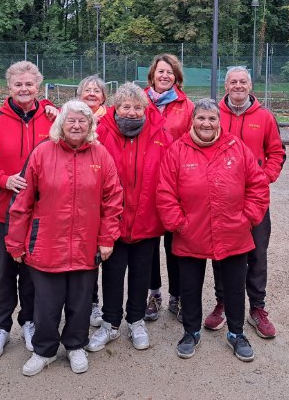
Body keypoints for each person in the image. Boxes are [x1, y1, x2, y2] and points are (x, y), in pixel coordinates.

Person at [5, 100, 123, 376]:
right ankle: (44, 350)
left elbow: (113, 199)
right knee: (46, 302)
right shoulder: (42, 153)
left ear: (91, 126)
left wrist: (107, 238)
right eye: (71, 120)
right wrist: (16, 241)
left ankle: (75, 345)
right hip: (47, 242)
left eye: (83, 121)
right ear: (61, 124)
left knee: (80, 301)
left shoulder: (101, 155)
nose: (77, 125)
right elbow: (22, 201)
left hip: (86, 243)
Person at [156, 98, 270, 362]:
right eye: (201, 118)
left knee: (233, 286)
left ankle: (236, 332)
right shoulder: (177, 150)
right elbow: (165, 192)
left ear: (219, 121)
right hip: (190, 232)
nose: (206, 123)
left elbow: (257, 186)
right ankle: (191, 331)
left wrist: (248, 218)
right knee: (190, 286)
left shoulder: (236, 147)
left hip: (233, 230)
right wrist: (178, 224)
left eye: (211, 119)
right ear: (192, 120)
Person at [0, 61, 56, 360]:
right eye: (18, 84)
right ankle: (1, 327)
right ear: (9, 87)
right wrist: (3, 179)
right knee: (4, 272)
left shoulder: (51, 119)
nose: (24, 89)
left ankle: (29, 322)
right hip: (2, 213)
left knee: (32, 273)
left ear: (38, 87)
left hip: (37, 214)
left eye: (29, 84)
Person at [86, 83, 172, 353]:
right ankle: (110, 323)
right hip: (113, 219)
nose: (132, 112)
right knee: (112, 273)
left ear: (145, 109)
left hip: (146, 218)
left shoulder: (159, 133)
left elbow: (171, 172)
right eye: (126, 107)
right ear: (116, 107)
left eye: (137, 107)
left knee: (140, 274)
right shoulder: (101, 132)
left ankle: (136, 320)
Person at [204, 66, 286, 338]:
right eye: (233, 82)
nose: (238, 86)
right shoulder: (214, 115)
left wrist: (262, 180)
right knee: (221, 252)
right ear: (226, 86)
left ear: (250, 86)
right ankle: (223, 304)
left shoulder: (264, 117)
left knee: (257, 254)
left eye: (242, 82)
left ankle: (257, 309)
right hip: (222, 201)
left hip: (256, 200)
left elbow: (277, 153)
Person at [50, 75, 109, 327]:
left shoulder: (112, 118)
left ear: (104, 97)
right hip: (68, 196)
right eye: (87, 89)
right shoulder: (65, 118)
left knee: (93, 257)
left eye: (97, 90)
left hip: (96, 193)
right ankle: (83, 306)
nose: (92, 93)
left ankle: (93, 306)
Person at [143, 54, 194, 322]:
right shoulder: (138, 100)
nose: (165, 76)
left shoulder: (187, 106)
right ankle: (154, 294)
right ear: (152, 74)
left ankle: (178, 295)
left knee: (176, 244)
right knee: (149, 244)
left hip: (176, 184)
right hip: (145, 183)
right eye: (161, 71)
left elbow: (191, 143)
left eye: (170, 72)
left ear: (176, 77)